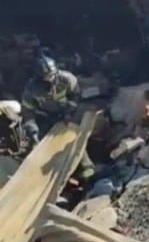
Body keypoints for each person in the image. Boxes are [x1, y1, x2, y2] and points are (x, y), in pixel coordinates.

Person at [21, 52, 96, 181]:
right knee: (40, 148)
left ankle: (87, 171)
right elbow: (28, 111)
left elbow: (76, 96)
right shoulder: (32, 89)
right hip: (46, 117)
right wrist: (32, 130)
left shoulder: (67, 79)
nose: (50, 78)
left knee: (73, 139)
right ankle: (44, 178)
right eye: (46, 76)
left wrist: (68, 113)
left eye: (52, 74)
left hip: (69, 113)